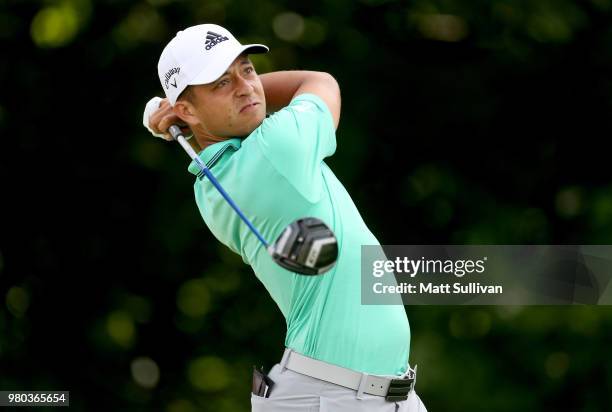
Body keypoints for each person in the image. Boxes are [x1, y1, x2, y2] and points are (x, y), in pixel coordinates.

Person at [143, 23, 427, 412]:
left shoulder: (208, 185)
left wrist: (182, 119)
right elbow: (317, 81)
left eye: (247, 69)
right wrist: (175, 115)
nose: (247, 86)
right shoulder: (278, 148)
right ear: (187, 110)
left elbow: (230, 118)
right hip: (337, 397)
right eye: (221, 82)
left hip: (363, 394)